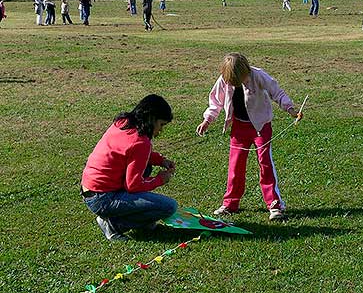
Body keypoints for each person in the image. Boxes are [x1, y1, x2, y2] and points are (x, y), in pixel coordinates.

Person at [196, 53, 303, 220]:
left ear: (245, 71)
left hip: (261, 127)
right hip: (239, 128)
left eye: (241, 80)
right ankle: (231, 202)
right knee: (235, 166)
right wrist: (207, 120)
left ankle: (274, 204)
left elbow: (277, 92)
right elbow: (216, 101)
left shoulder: (258, 75)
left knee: (265, 163)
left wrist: (290, 109)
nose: (238, 84)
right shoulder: (225, 79)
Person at [81, 94, 177, 241]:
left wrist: (160, 160)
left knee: (146, 168)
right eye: (161, 125)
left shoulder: (123, 123)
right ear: (151, 119)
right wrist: (160, 179)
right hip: (103, 198)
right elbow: (133, 185)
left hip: (90, 190)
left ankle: (142, 220)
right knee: (169, 207)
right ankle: (113, 225)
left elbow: (130, 152)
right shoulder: (141, 143)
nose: (161, 130)